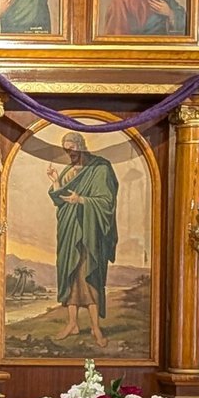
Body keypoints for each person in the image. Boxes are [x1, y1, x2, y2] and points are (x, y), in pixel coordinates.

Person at [47, 131, 119, 349]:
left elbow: (107, 201)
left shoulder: (100, 167)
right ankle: (72, 324)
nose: (69, 153)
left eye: (72, 149)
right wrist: (56, 181)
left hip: (89, 232)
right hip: (69, 231)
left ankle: (95, 327)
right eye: (66, 150)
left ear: (81, 146)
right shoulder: (69, 170)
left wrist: (82, 200)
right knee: (70, 275)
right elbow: (60, 200)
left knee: (89, 276)